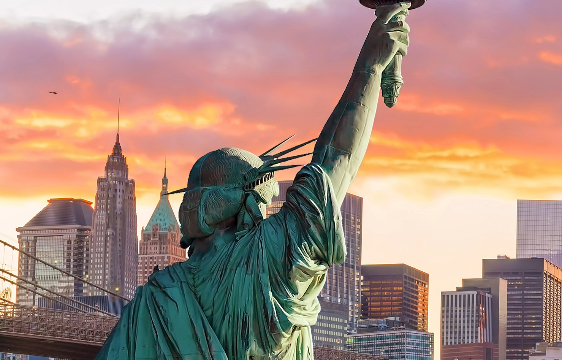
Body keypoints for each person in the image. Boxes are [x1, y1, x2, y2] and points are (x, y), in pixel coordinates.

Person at [95, 2, 418, 359]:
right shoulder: (266, 263)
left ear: (201, 207)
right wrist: (370, 67)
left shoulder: (155, 299)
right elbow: (335, 160)